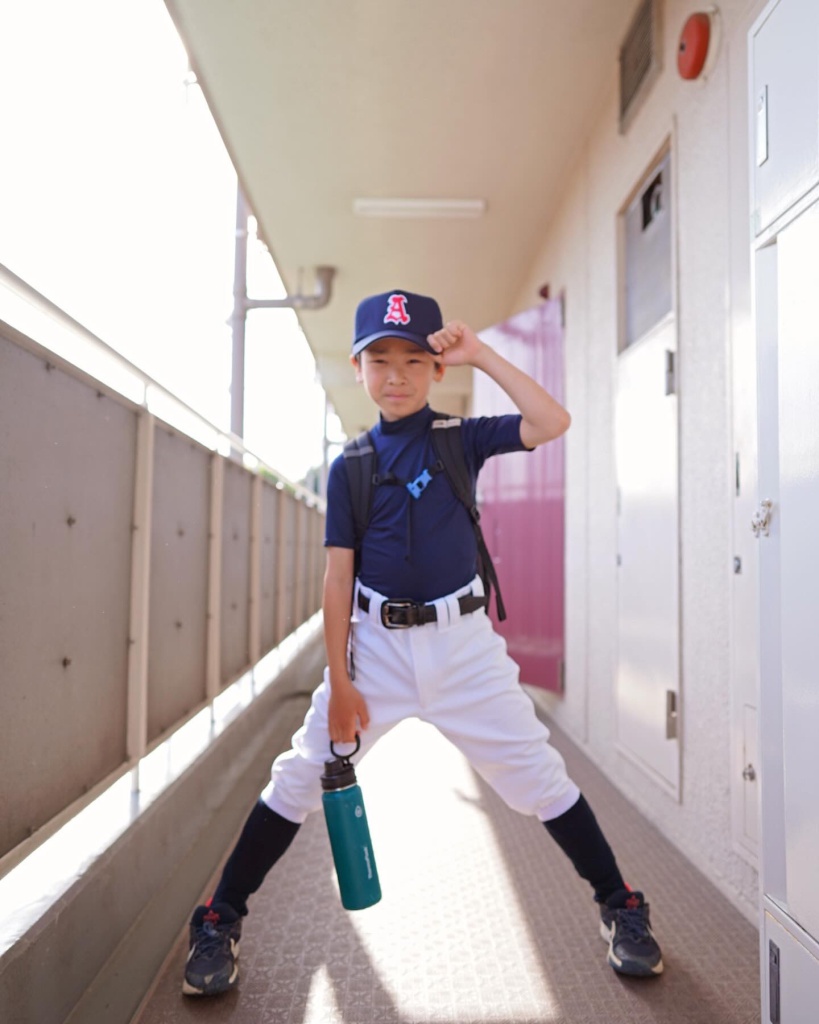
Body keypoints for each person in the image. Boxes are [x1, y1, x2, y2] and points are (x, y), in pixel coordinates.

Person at [182, 288, 664, 997]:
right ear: (358, 369)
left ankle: (621, 906)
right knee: (300, 777)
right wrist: (341, 684)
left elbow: (551, 421)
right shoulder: (351, 465)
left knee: (539, 776)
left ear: (437, 369)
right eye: (380, 360)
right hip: (375, 650)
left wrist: (480, 354)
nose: (397, 375)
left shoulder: (458, 438)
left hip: (464, 646)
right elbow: (337, 579)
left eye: (413, 359)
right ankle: (219, 919)